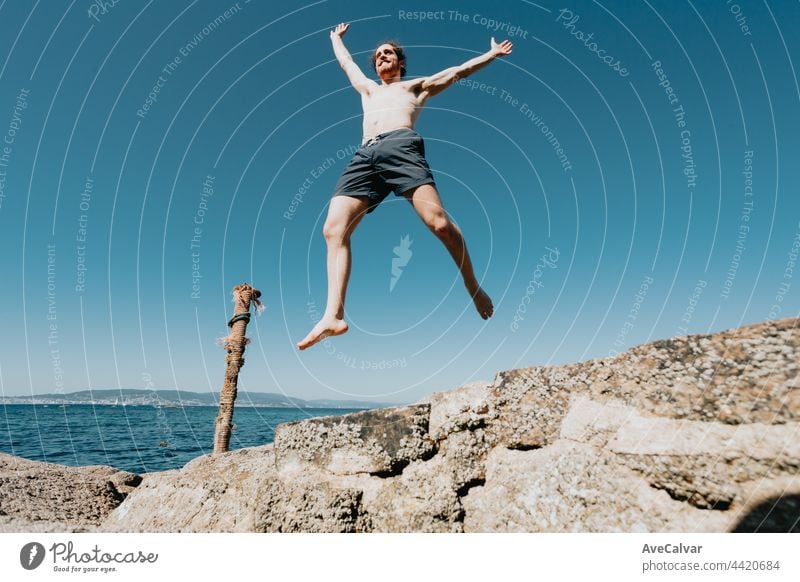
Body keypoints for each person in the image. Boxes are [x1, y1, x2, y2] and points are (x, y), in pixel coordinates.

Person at [298, 23, 512, 350]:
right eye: (379, 54)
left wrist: (492, 54)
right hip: (364, 155)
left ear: (400, 63)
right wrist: (336, 40)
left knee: (439, 224)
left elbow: (458, 72)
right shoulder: (368, 90)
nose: (383, 56)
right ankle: (333, 314)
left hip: (401, 147)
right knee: (333, 229)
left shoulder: (415, 88)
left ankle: (471, 284)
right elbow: (347, 65)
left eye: (389, 53)